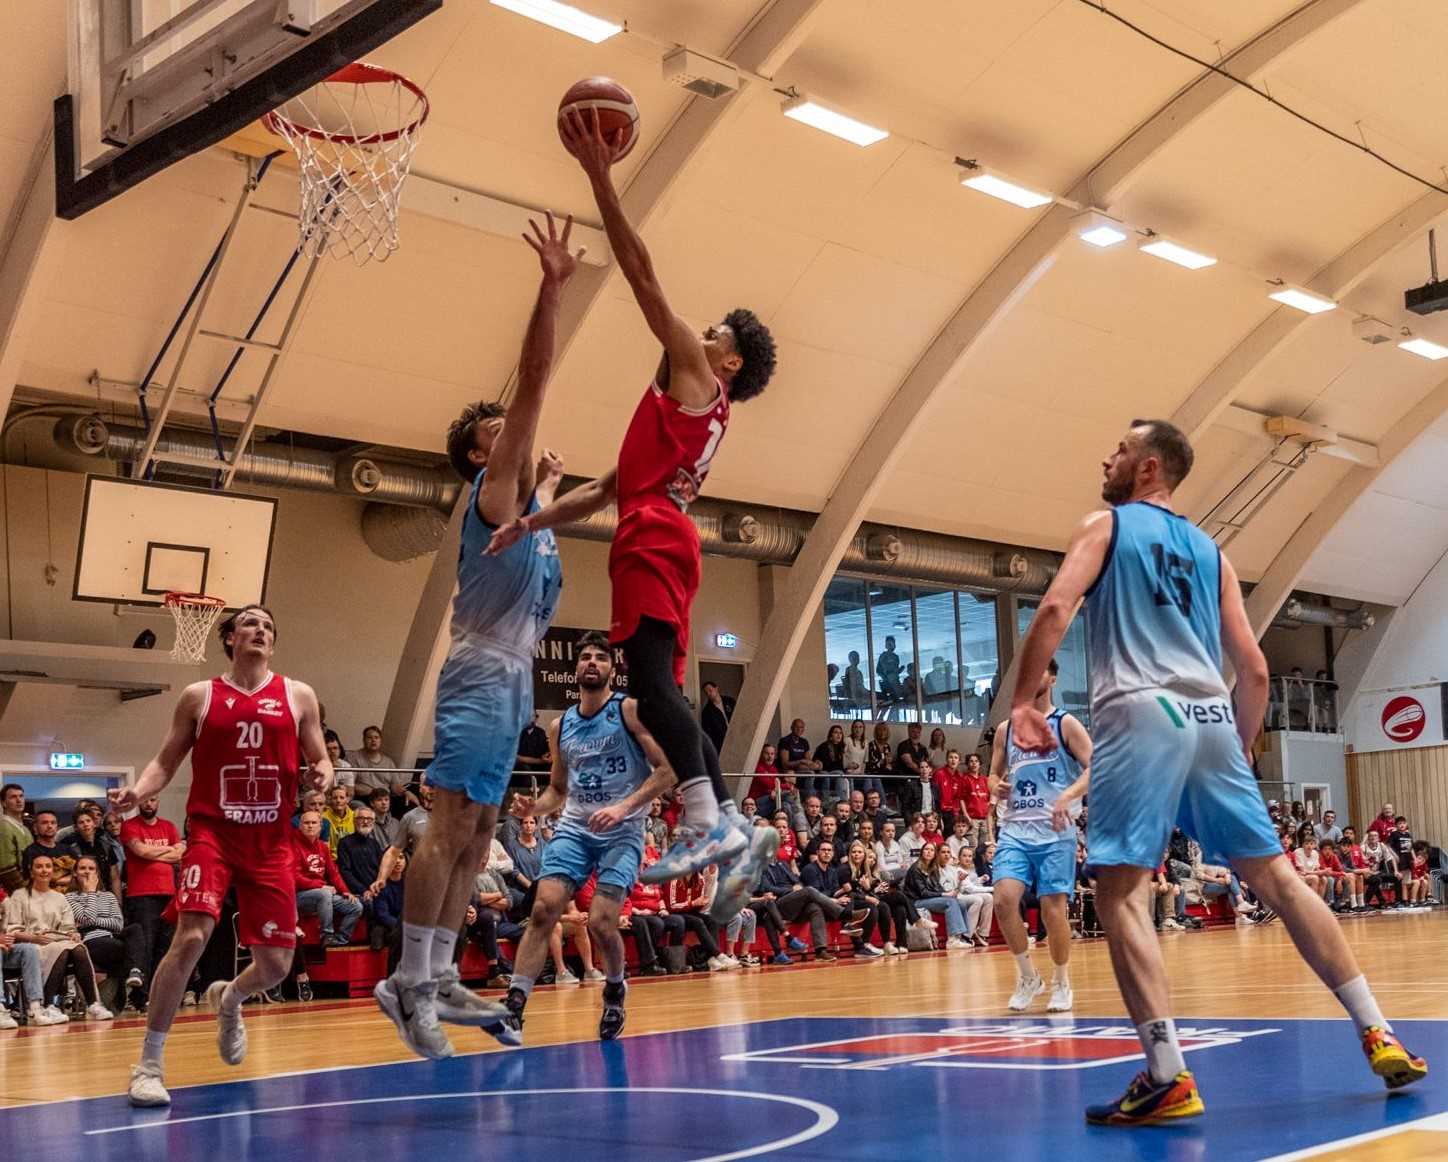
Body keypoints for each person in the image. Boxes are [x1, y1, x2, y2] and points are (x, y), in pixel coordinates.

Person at [1007, 417, 1425, 1126]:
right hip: (1209, 719)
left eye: (1120, 447)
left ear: (1146, 468)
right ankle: (1377, 1028)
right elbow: (1254, 669)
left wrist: (1021, 700)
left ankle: (1166, 1074)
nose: (1106, 454)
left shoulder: (1105, 527)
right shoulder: (1212, 553)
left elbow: (1054, 605)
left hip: (1140, 715)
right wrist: (1232, 747)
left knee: (1121, 894)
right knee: (1281, 880)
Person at [487, 110, 778, 922]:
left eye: (713, 331)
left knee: (648, 693)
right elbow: (605, 487)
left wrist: (600, 176)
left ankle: (709, 824)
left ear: (727, 361)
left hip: (653, 535)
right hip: (657, 528)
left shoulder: (698, 376)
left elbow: (642, 275)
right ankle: (729, 826)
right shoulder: (677, 418)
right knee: (655, 699)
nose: (698, 330)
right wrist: (531, 522)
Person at [373, 216, 576, 1061]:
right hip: (481, 671)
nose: (513, 431)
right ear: (476, 453)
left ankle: (439, 969)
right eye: (495, 429)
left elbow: (557, 506)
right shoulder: (492, 494)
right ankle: (407, 979)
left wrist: (564, 487)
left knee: (484, 830)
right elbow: (532, 377)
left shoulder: (531, 516)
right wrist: (552, 286)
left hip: (516, 676)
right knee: (450, 822)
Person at [109, 604, 332, 1107]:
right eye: (251, 623)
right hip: (213, 834)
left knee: (275, 966)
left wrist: (325, 773)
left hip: (272, 842)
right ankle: (148, 1064)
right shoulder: (199, 696)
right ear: (230, 637)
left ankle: (230, 996)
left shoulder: (298, 695)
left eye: (269, 626)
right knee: (190, 936)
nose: (261, 630)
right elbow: (166, 760)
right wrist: (136, 793)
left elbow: (320, 757)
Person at [501, 632, 677, 1041]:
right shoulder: (560, 726)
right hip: (575, 829)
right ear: (576, 669)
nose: (592, 662)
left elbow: (668, 771)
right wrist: (534, 808)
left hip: (622, 832)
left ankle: (615, 987)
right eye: (585, 657)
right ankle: (514, 1004)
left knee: (600, 921)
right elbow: (557, 791)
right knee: (544, 909)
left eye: (600, 657)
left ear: (612, 669)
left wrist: (622, 806)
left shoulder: (629, 711)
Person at [989, 657, 1091, 1013]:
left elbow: (1096, 767)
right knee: (1002, 899)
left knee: (1052, 912)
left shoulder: (1066, 724)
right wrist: (994, 785)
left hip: (1055, 831)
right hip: (1015, 829)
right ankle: (1028, 976)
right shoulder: (1006, 729)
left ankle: (1062, 981)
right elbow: (991, 774)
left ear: (1051, 678)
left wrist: (1068, 794)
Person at [3, 854, 111, 1020]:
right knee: (62, 949)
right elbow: (12, 929)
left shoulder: (59, 897)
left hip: (57, 941)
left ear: (53, 871)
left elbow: (68, 927)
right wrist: (33, 938)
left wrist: (73, 934)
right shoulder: (20, 896)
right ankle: (48, 1004)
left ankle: (93, 1004)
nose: (44, 870)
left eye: (48, 866)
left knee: (78, 948)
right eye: (39, 866)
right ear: (31, 871)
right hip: (33, 945)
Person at [118, 794, 183, 996]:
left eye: (153, 800)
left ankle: (160, 993)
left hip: (169, 894)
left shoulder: (169, 826)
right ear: (139, 803)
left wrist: (155, 851)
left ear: (158, 802)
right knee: (145, 945)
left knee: (165, 946)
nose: (149, 804)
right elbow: (141, 851)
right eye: (145, 800)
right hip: (142, 895)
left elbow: (179, 854)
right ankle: (141, 997)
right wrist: (168, 849)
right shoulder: (129, 826)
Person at [68, 854, 146, 1007]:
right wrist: (90, 892)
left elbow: (118, 924)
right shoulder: (70, 898)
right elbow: (88, 918)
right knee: (136, 951)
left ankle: (134, 971)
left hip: (112, 937)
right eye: (82, 868)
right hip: (91, 941)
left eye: (91, 869)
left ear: (97, 873)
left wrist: (91, 922)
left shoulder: (108, 896)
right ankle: (138, 994)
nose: (87, 872)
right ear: (75, 873)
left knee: (136, 929)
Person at [293, 810, 362, 946]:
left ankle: (341, 939)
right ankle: (327, 935)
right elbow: (294, 877)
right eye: (306, 823)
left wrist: (345, 891)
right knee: (324, 893)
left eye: (314, 823)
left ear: (320, 826)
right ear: (300, 826)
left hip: (320, 894)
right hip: (298, 897)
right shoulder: (292, 845)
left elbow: (333, 873)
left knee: (356, 906)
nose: (310, 826)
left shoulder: (322, 847)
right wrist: (319, 886)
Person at [901, 842, 972, 949]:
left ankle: (963, 936)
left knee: (960, 902)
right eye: (926, 849)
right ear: (922, 852)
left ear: (935, 854)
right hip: (915, 901)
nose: (929, 852)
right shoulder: (916, 868)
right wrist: (944, 894)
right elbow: (923, 893)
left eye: (932, 850)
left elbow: (937, 887)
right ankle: (952, 940)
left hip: (928, 899)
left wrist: (950, 893)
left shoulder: (932, 868)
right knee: (950, 902)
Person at [700, 680, 734, 754]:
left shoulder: (730, 701)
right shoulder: (706, 712)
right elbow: (707, 733)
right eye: (706, 693)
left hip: (736, 737)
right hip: (721, 745)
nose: (709, 694)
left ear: (716, 688)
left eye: (710, 690)